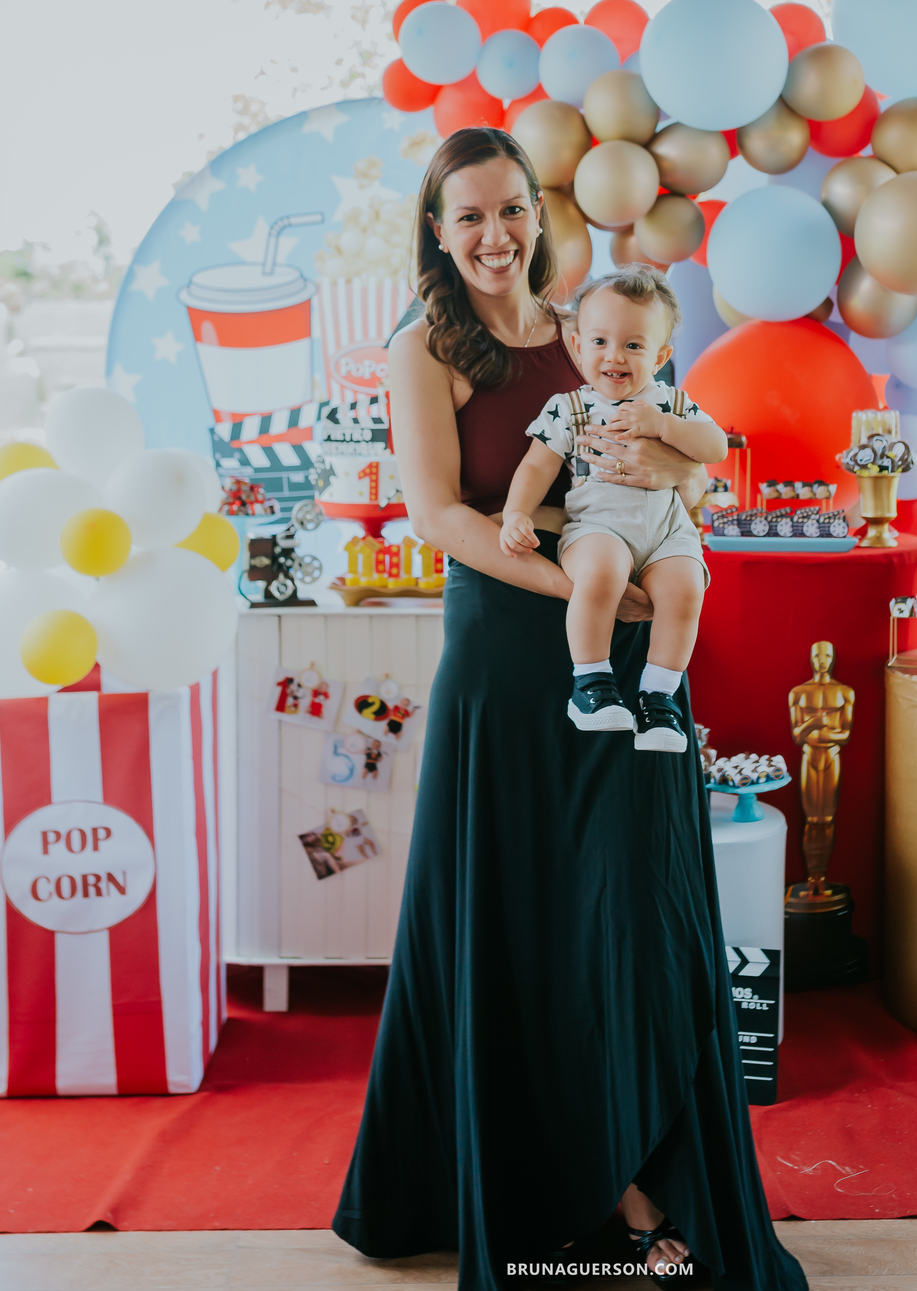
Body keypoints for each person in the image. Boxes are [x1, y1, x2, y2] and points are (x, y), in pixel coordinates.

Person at [333, 126, 807, 1291]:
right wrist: (591, 585)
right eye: (468, 218)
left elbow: (697, 454)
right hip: (508, 660)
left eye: (509, 211)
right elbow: (444, 518)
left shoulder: (591, 327)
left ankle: (657, 1164)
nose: (494, 235)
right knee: (518, 921)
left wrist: (674, 485)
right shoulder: (424, 349)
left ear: (536, 218)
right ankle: (597, 1194)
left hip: (637, 660)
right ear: (438, 236)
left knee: (641, 914)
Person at [500, 267, 727, 753]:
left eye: (634, 345)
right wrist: (517, 511)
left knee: (686, 588)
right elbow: (537, 466)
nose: (614, 356)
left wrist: (663, 425)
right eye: (600, 341)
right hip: (598, 527)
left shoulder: (671, 402)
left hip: (667, 531)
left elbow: (715, 447)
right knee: (601, 572)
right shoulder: (569, 408)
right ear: (578, 346)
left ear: (661, 356)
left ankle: (658, 697)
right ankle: (592, 684)